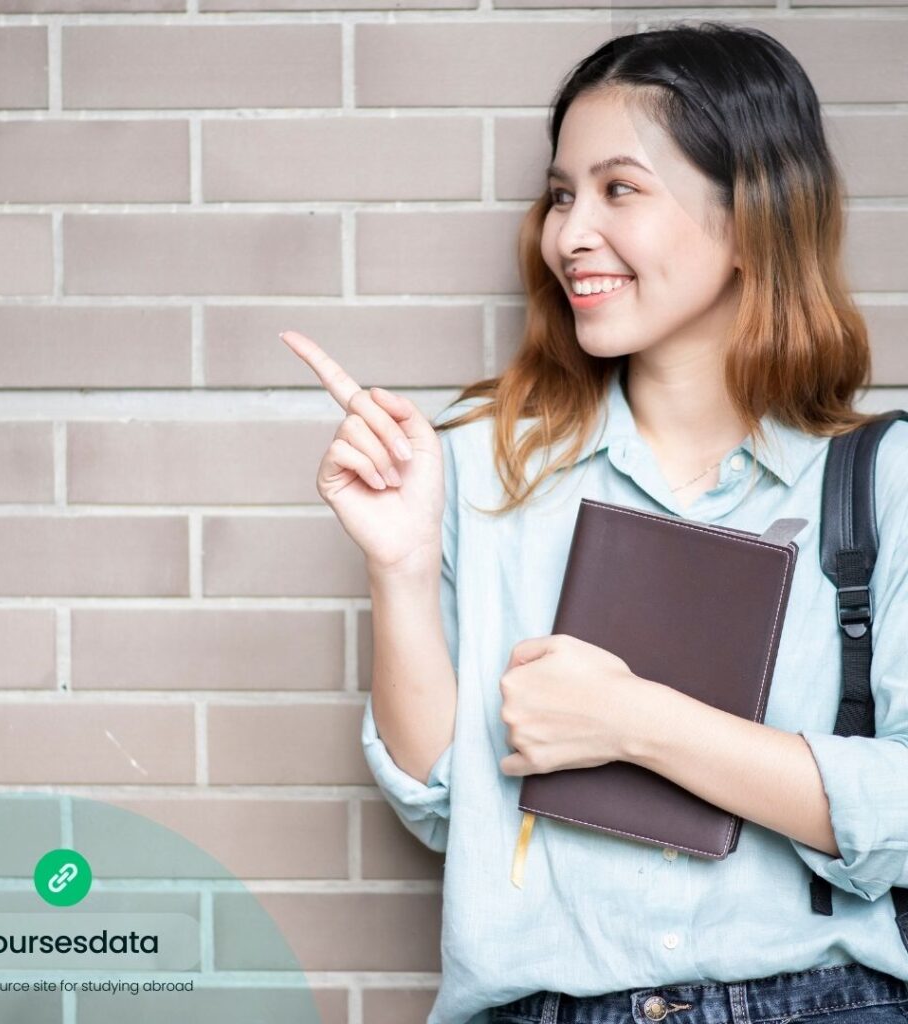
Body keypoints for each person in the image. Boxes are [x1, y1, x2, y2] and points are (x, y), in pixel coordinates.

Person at [281, 20, 908, 1024]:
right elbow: (440, 802)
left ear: (752, 218)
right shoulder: (479, 465)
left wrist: (635, 723)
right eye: (561, 194)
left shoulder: (878, 481)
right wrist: (396, 566)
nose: (569, 233)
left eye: (619, 189)